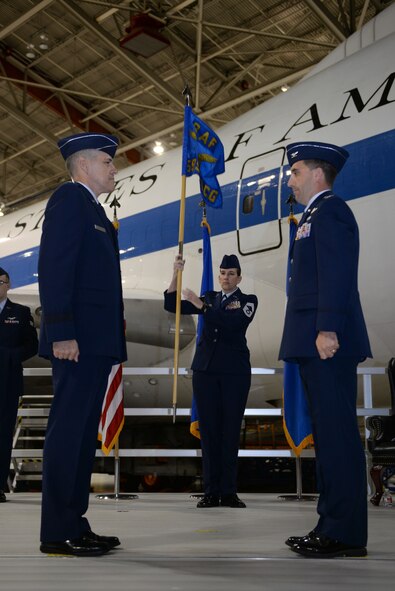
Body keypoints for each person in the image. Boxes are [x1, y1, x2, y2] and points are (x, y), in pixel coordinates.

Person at [279, 141, 372, 558]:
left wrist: (328, 328)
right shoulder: (314, 215)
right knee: (330, 438)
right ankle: (330, 523)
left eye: (295, 172)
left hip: (326, 341)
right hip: (314, 340)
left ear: (318, 174)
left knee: (336, 438)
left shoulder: (331, 210)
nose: (290, 180)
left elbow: (336, 272)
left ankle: (344, 532)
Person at [38, 132, 127, 556]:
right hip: (76, 342)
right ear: (84, 165)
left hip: (94, 342)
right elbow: (55, 267)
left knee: (81, 436)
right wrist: (61, 331)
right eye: (107, 162)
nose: (114, 169)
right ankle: (57, 530)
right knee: (68, 432)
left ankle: (74, 520)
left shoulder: (93, 208)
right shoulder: (68, 200)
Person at [164, 254, 257, 508]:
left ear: (239, 277)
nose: (226, 278)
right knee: (209, 433)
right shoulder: (211, 297)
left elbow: (232, 324)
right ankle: (210, 492)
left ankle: (228, 492)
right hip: (205, 372)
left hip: (234, 374)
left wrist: (202, 306)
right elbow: (173, 305)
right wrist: (175, 274)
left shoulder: (247, 301)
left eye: (231, 274)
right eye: (222, 273)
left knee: (229, 432)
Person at [0, 267, 38, 503]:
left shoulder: (21, 313)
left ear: (8, 285)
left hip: (7, 381)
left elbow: (32, 346)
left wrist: (9, 356)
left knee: (3, 435)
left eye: (0, 281)